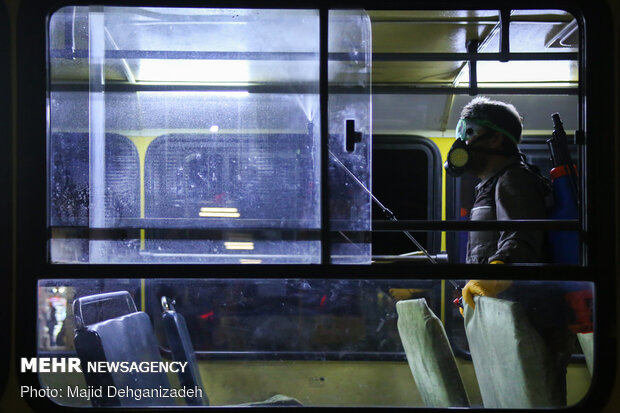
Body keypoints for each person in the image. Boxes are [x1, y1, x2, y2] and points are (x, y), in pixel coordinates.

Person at [447, 96, 579, 405]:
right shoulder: (491, 184)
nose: (462, 141)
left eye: (470, 132)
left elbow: (521, 238)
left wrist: (491, 280)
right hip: (509, 315)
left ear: (495, 138)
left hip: (529, 320)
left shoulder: (513, 179)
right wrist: (476, 287)